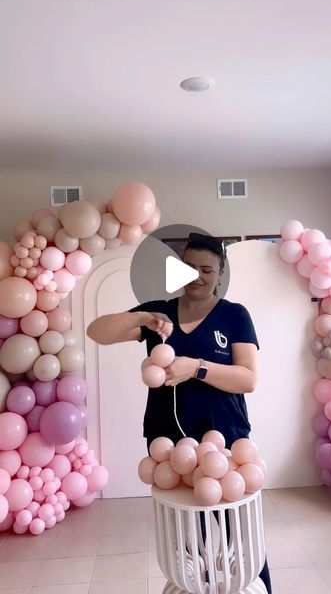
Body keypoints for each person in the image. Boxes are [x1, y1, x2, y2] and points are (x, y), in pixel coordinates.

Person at [87, 232, 272, 593]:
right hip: (169, 442)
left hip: (225, 439)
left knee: (242, 535)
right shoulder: (160, 313)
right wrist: (142, 315)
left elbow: (248, 379)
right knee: (189, 538)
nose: (197, 276)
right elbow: (98, 332)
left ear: (220, 273)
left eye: (206, 269)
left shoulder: (234, 315)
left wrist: (196, 367)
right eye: (188, 268)